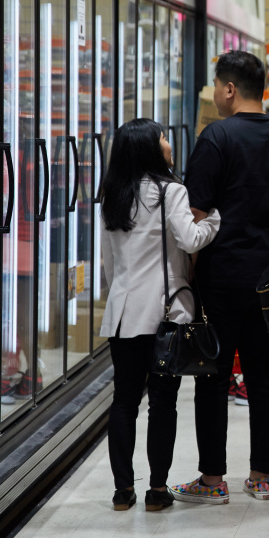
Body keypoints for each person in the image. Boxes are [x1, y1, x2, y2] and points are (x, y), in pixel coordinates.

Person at [173, 50, 269, 504]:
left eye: (216, 86)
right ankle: (261, 476)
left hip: (221, 276)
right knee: (264, 377)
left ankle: (213, 480)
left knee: (212, 377)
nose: (215, 93)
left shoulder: (217, 137)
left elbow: (196, 214)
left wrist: (190, 273)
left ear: (229, 89)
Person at [99, 118, 220, 512]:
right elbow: (191, 239)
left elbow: (109, 264)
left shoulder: (112, 196)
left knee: (124, 402)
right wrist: (215, 219)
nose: (169, 143)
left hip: (123, 314)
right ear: (151, 148)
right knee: (163, 404)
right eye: (164, 138)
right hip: (166, 316)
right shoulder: (171, 191)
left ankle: (122, 490)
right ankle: (156, 490)